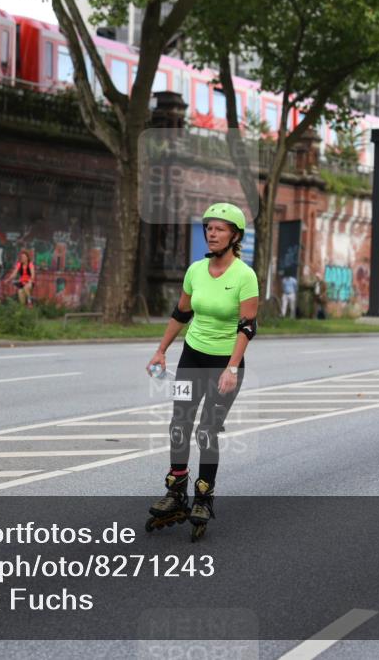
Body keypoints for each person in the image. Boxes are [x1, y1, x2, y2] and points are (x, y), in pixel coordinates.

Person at [145, 202, 259, 541]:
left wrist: (232, 368)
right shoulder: (195, 270)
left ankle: (204, 496)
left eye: (219, 228)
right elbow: (181, 313)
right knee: (179, 422)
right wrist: (161, 350)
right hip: (191, 359)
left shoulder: (244, 275)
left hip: (224, 364)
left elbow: (247, 326)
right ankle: (176, 488)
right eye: (209, 227)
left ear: (234, 236)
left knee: (207, 430)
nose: (212, 233)